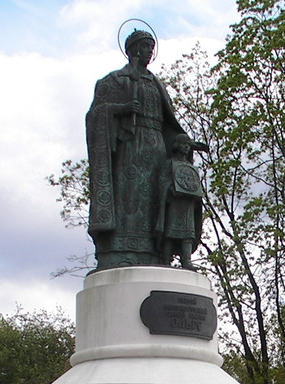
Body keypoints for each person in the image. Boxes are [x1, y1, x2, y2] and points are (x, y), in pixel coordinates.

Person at [86, 28, 191, 270]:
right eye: (145, 47)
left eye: (151, 48)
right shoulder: (114, 81)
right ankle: (121, 250)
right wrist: (120, 108)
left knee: (156, 199)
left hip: (156, 146)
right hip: (130, 147)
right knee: (130, 196)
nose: (149, 52)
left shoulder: (155, 83)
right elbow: (95, 115)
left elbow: (169, 123)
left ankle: (158, 252)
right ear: (133, 50)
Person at [157, 133, 204, 268]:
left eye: (188, 145)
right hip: (174, 203)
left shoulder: (190, 166)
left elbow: (194, 183)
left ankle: (187, 260)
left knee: (188, 234)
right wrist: (170, 189)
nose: (186, 148)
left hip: (187, 204)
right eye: (184, 144)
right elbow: (163, 180)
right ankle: (166, 260)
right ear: (177, 145)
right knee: (170, 232)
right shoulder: (170, 163)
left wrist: (195, 194)